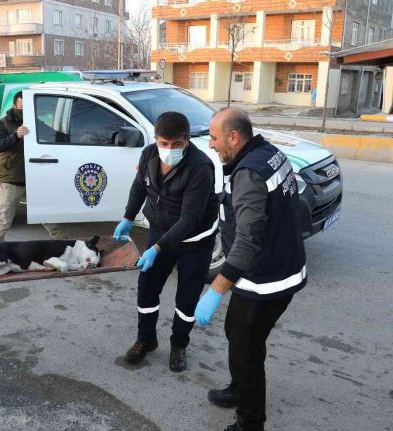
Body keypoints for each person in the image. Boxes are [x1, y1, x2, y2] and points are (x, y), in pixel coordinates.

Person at [195, 107, 307, 431]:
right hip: (278, 266)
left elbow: (248, 240)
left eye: (215, 138)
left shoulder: (249, 174)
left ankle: (251, 420)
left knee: (246, 351)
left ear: (234, 136)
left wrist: (215, 290)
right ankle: (240, 387)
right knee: (237, 334)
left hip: (266, 280)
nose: (212, 145)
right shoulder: (267, 153)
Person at [114, 111, 219, 372]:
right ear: (156, 139)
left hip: (195, 240)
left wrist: (157, 248)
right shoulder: (149, 154)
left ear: (186, 140)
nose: (168, 149)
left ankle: (179, 345)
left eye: (176, 145)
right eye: (164, 143)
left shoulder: (200, 167)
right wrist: (128, 216)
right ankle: (146, 339)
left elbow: (191, 218)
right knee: (147, 288)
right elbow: (140, 186)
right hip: (160, 232)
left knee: (187, 299)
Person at [0, 91, 29, 245]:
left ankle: (63, 245)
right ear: (14, 105)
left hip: (32, 176)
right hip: (11, 178)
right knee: (5, 220)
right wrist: (15, 136)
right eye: (22, 107)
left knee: (44, 215)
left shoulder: (32, 121)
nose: (25, 111)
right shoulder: (4, 123)